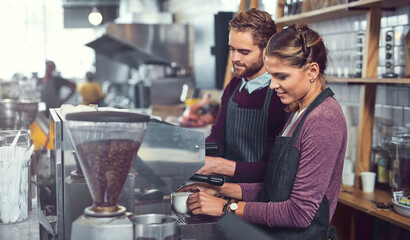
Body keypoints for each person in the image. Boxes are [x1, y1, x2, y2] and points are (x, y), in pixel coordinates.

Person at [180, 24, 347, 240]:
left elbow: (300, 213)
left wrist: (226, 207)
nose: (272, 85)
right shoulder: (298, 112)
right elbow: (274, 189)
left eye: (282, 77)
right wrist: (219, 190)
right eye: (271, 76)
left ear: (312, 71)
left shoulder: (323, 120)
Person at [198, 8, 288, 183]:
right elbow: (218, 135)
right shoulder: (233, 86)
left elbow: (273, 167)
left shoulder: (280, 96)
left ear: (267, 50)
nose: (235, 58)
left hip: (259, 198)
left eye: (244, 52)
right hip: (225, 186)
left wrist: (220, 166)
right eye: (232, 49)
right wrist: (193, 152)